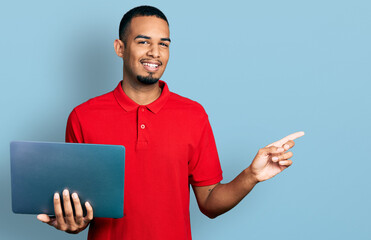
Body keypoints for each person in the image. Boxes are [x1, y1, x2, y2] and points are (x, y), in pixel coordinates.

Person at [37, 5, 304, 240]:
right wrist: (72, 222)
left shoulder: (193, 114)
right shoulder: (83, 116)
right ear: (120, 48)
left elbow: (210, 201)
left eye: (163, 44)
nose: (155, 53)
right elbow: (78, 212)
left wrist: (252, 176)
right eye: (143, 42)